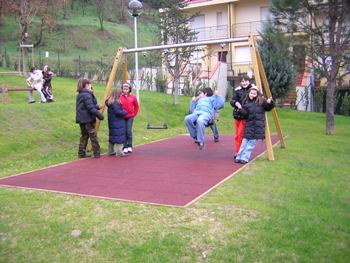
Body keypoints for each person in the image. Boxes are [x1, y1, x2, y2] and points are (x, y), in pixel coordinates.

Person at [234, 86, 274, 164]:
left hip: (258, 127)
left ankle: (245, 158)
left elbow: (268, 107)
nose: (252, 95)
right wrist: (240, 108)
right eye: (251, 93)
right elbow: (245, 115)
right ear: (249, 93)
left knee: (250, 144)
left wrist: (270, 102)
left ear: (257, 95)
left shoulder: (261, 102)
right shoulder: (246, 103)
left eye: (254, 93)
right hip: (249, 126)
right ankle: (239, 156)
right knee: (244, 142)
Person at [76, 78, 104, 158]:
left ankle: (81, 153)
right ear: (86, 85)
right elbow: (90, 108)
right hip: (88, 119)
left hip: (81, 119)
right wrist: (100, 116)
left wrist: (96, 106)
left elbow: (86, 106)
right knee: (93, 136)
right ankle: (97, 153)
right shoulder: (87, 95)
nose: (91, 86)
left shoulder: (80, 94)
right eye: (89, 84)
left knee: (84, 136)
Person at [230, 75, 252, 158]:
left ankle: (240, 151)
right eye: (242, 81)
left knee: (240, 134)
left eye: (246, 81)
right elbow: (232, 101)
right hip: (237, 115)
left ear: (249, 81)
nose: (244, 83)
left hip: (245, 116)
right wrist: (236, 103)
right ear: (240, 83)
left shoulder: (252, 90)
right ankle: (238, 150)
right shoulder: (238, 91)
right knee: (237, 135)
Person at [106, 89, 128, 157]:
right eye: (120, 94)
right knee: (119, 136)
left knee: (112, 136)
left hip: (112, 122)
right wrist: (125, 112)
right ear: (117, 95)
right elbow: (118, 112)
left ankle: (110, 151)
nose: (121, 95)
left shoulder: (110, 102)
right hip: (118, 122)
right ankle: (119, 152)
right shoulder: (116, 103)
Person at [120, 82, 139, 153]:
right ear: (122, 89)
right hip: (122, 117)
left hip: (130, 117)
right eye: (124, 89)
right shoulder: (120, 97)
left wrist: (134, 114)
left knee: (128, 131)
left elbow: (136, 106)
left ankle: (129, 146)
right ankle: (124, 146)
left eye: (127, 89)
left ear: (129, 89)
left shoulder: (133, 97)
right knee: (124, 131)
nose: (125, 90)